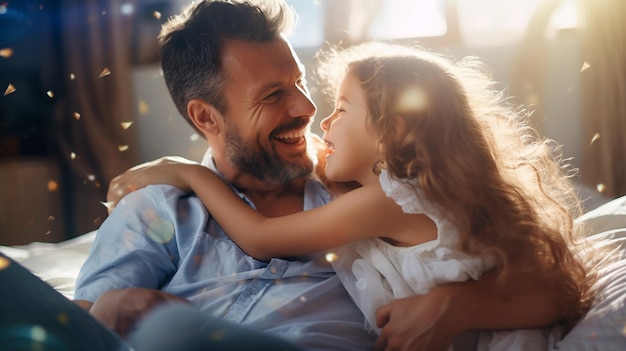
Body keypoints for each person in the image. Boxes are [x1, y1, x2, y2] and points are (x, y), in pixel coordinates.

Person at [73, 1, 584, 350]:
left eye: (298, 82)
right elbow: (83, 328)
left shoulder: (357, 183)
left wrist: (455, 304)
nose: (307, 107)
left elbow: (554, 284)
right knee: (118, 307)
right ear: (205, 117)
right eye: (273, 96)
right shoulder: (157, 207)